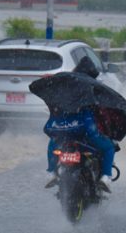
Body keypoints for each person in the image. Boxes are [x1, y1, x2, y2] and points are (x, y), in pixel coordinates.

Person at [44, 57, 116, 189]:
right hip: (86, 131)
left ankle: (51, 173)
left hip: (62, 131)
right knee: (109, 148)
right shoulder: (93, 89)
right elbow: (103, 114)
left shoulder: (63, 88)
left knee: (52, 144)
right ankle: (106, 177)